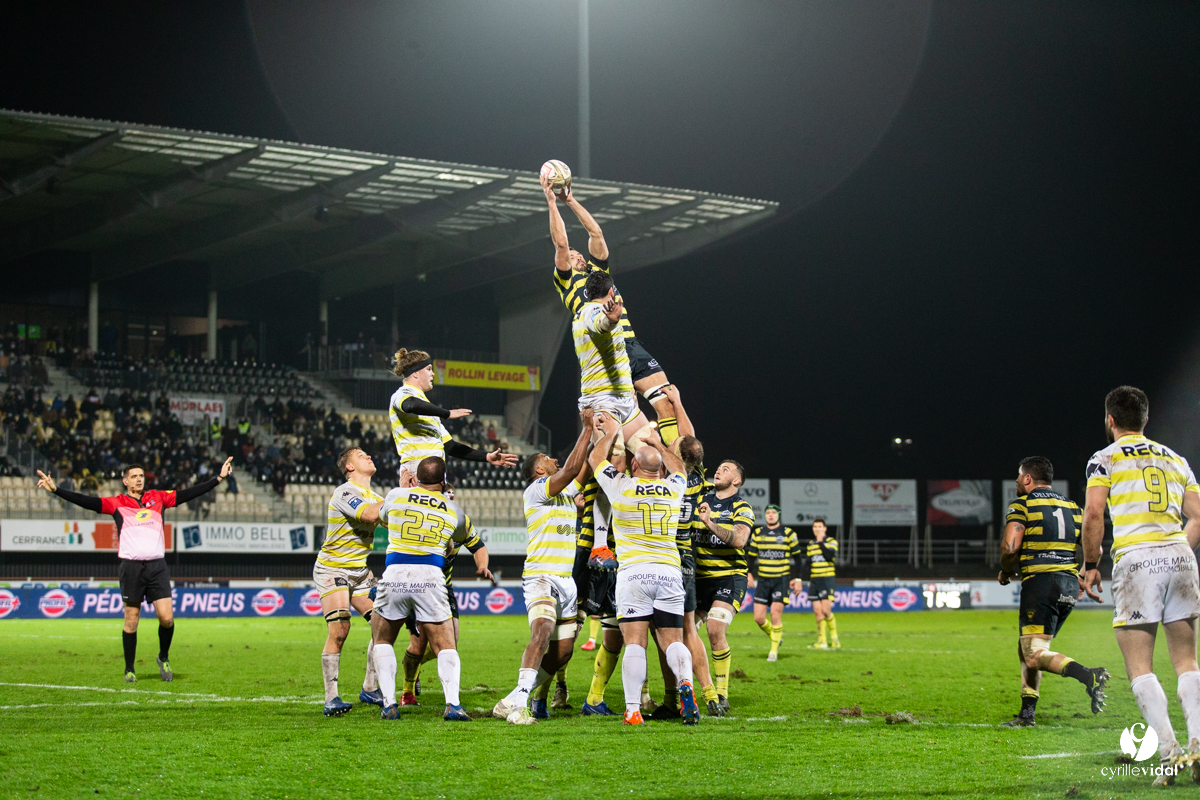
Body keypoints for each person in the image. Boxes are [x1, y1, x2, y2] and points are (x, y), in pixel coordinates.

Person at [1081, 386, 1200, 786]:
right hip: (1180, 556)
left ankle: (1170, 754)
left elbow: (1094, 512)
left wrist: (1091, 563)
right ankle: (1198, 743)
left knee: (1139, 666)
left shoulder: (1104, 459)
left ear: (1110, 420)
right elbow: (1198, 515)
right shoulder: (1175, 458)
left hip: (1137, 558)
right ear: (1145, 420)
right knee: (1186, 660)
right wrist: (1178, 547)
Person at [36, 458, 233, 683]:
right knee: (131, 620)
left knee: (167, 618)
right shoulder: (116, 503)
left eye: (141, 476)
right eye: (134, 477)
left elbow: (189, 493)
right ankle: (129, 669)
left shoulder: (158, 498)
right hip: (131, 567)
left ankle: (163, 656)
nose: (139, 480)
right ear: (125, 481)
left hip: (157, 566)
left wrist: (218, 479)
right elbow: (87, 501)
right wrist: (56, 491)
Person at [542, 173, 682, 445]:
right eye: (572, 256)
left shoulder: (599, 272)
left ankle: (680, 467)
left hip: (629, 343)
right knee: (616, 439)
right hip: (602, 354)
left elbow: (596, 233)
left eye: (579, 254)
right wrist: (551, 202)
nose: (578, 256)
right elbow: (560, 242)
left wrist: (570, 200)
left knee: (666, 401)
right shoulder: (566, 282)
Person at [589, 412, 698, 725]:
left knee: (634, 643)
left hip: (634, 574)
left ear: (634, 466)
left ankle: (633, 710)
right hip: (668, 572)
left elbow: (597, 458)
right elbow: (679, 467)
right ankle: (685, 685)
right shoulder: (674, 489)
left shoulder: (621, 487)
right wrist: (658, 443)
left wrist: (613, 433)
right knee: (673, 641)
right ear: (659, 469)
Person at [494, 409, 593, 724]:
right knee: (542, 632)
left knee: (563, 652)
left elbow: (586, 468)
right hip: (541, 576)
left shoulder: (565, 494)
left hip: (566, 580)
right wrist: (587, 427)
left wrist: (607, 432)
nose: (555, 460)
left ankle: (510, 700)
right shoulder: (537, 490)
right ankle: (521, 706)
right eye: (549, 459)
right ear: (539, 468)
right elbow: (574, 467)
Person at [997, 456, 1109, 728]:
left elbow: (1010, 548)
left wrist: (1005, 570)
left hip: (1041, 583)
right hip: (1068, 585)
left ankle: (1088, 675)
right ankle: (1027, 713)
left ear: (1027, 478)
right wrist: (1085, 572)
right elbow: (1095, 544)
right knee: (1028, 649)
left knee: (1034, 653)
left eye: (1018, 476)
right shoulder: (1071, 507)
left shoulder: (1022, 505)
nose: (1016, 481)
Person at [370, 456, 475, 721]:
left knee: (383, 641)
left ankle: (389, 705)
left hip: (394, 572)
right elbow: (458, 538)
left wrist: (405, 489)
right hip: (430, 576)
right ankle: (453, 705)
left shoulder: (395, 495)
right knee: (446, 645)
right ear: (443, 480)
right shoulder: (454, 510)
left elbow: (382, 518)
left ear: (416, 477)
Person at [399, 482, 494, 707]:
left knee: (451, 642)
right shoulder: (423, 519)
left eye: (452, 496)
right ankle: (407, 691)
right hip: (417, 584)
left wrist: (482, 565)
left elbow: (478, 546)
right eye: (445, 495)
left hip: (443, 588)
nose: (450, 499)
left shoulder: (460, 522)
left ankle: (415, 667)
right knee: (418, 645)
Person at [314, 447, 385, 716]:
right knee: (340, 629)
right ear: (349, 467)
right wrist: (397, 500)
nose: (368, 456)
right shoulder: (344, 492)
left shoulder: (376, 497)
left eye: (368, 453)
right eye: (361, 455)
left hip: (359, 572)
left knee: (383, 624)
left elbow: (395, 519)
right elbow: (369, 515)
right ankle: (331, 697)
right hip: (333, 568)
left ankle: (370, 687)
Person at [387, 348, 517, 485]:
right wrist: (446, 413)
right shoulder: (401, 394)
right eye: (429, 369)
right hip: (417, 469)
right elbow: (410, 404)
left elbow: (451, 447)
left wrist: (486, 456)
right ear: (415, 374)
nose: (433, 373)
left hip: (436, 471)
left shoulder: (429, 410)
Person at [569, 270, 655, 457]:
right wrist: (610, 320)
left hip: (623, 398)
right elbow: (599, 325)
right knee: (614, 463)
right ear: (611, 291)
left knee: (651, 456)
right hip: (602, 401)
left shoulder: (585, 311)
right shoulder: (591, 312)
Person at [694, 459, 754, 714]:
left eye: (726, 469)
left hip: (729, 577)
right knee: (680, 633)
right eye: (718, 468)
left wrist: (709, 523)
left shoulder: (741, 506)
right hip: (696, 579)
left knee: (715, 628)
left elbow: (740, 540)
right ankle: (680, 690)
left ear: (737, 480)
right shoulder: (699, 499)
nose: (719, 470)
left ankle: (722, 693)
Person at [747, 504, 804, 661]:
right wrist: (749, 573)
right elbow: (751, 557)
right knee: (758, 618)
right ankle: (775, 636)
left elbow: (798, 559)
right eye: (768, 513)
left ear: (779, 515)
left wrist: (798, 579)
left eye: (773, 513)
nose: (770, 515)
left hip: (781, 579)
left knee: (775, 613)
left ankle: (773, 651)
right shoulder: (758, 533)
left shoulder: (788, 533)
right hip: (764, 580)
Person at [794, 518, 839, 649]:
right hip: (815, 580)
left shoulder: (832, 542)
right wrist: (799, 578)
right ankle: (822, 641)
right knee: (818, 612)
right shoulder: (811, 544)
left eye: (820, 526)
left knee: (826, 610)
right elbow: (807, 563)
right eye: (815, 527)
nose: (817, 529)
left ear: (825, 528)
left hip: (827, 579)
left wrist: (821, 543)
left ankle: (834, 637)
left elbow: (830, 556)